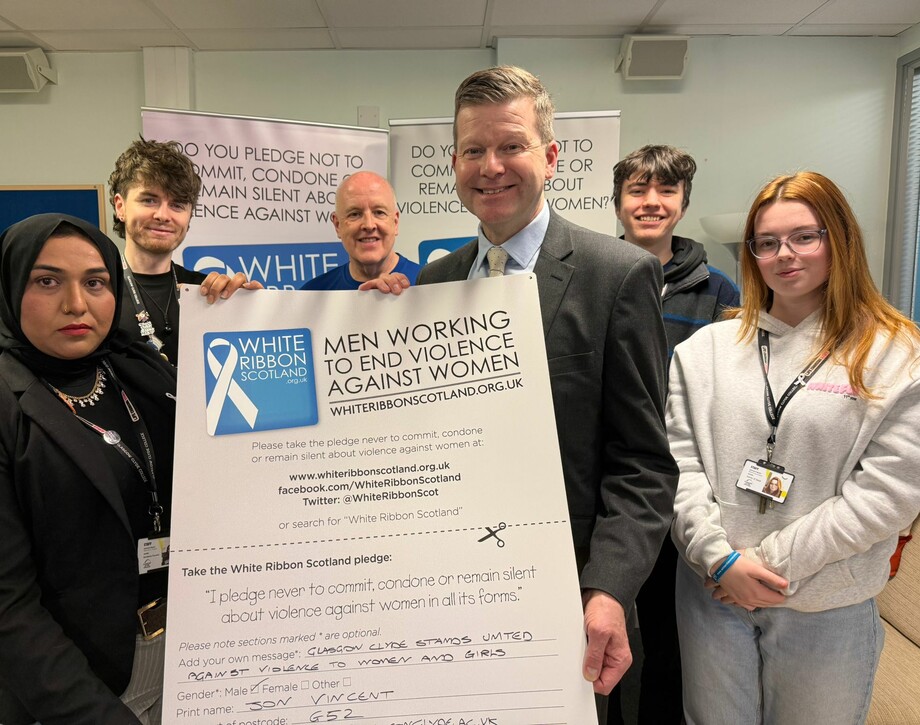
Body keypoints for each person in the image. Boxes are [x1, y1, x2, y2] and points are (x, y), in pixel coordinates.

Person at [417, 65, 678, 715]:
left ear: (551, 156)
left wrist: (611, 589)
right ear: (454, 162)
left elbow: (644, 464)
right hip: (451, 596)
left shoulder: (618, 275)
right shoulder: (435, 281)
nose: (491, 165)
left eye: (511, 145)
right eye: (473, 150)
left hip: (572, 605)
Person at [668, 171, 920, 724]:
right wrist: (720, 559)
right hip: (714, 596)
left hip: (826, 602)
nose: (785, 254)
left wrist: (767, 564)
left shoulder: (895, 353)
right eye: (767, 242)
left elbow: (889, 494)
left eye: (806, 236)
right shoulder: (703, 351)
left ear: (840, 239)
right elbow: (679, 468)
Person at [0, 213, 179, 724]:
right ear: (11, 285)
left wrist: (245, 314)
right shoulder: (7, 402)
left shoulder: (138, 372)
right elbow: (8, 607)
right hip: (77, 687)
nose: (76, 304)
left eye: (95, 282)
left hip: (183, 655)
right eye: (47, 280)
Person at [609, 144, 739, 724]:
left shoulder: (721, 292)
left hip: (683, 488)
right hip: (608, 484)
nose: (651, 202)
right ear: (618, 203)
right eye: (638, 190)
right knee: (598, 627)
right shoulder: (592, 275)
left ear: (683, 203)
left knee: (671, 638)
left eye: (665, 191)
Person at [109, 138, 260, 364]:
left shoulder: (209, 292)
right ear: (121, 207)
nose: (163, 215)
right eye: (149, 200)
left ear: (189, 217)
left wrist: (254, 313)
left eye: (177, 205)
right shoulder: (97, 291)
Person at [301, 171, 420, 291]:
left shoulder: (427, 287)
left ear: (395, 222)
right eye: (354, 214)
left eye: (379, 212)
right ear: (338, 225)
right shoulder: (311, 295)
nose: (369, 225)